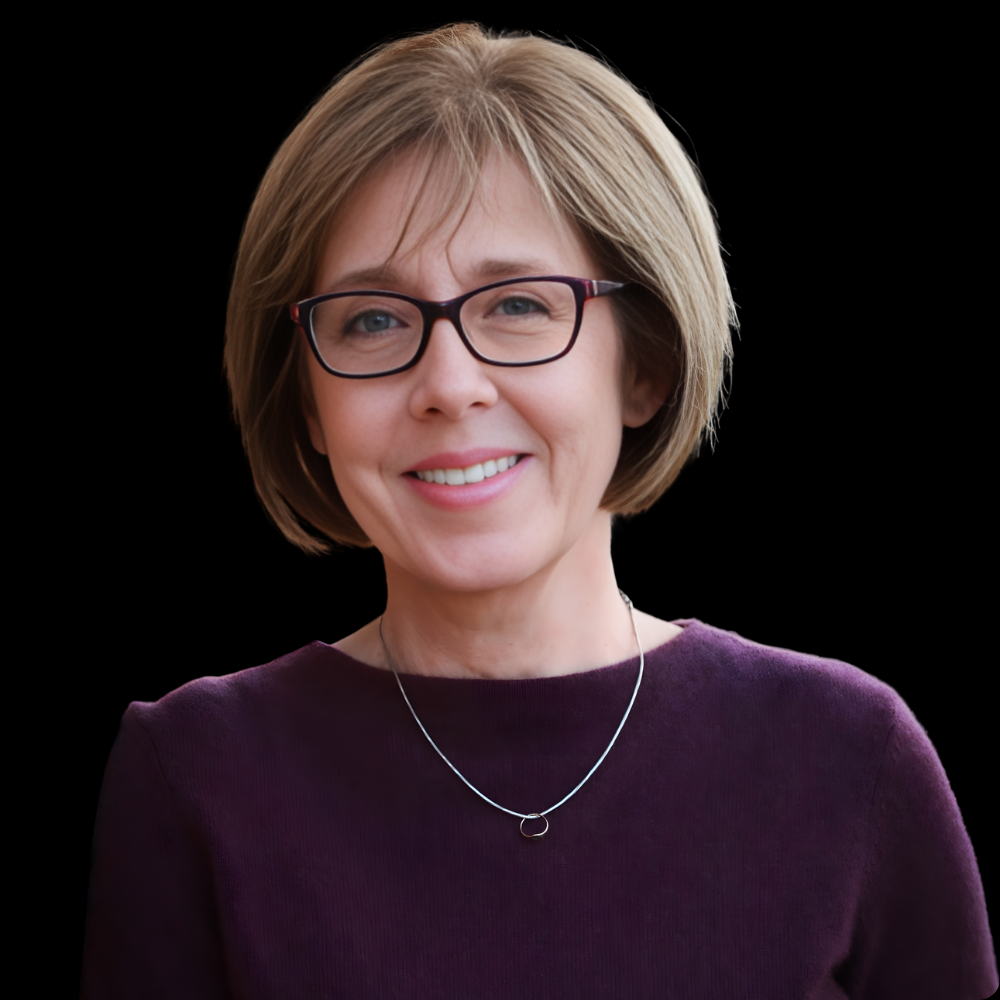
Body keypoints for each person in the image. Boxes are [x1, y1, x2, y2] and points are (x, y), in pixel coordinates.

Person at [81, 23, 997, 999]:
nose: (448, 384)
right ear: (308, 398)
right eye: (374, 319)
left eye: (517, 304)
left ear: (640, 363)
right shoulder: (193, 774)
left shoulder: (847, 758)